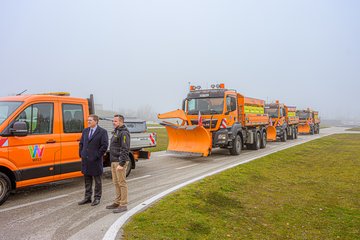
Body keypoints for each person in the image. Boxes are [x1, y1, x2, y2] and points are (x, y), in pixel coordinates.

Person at [78, 114, 108, 206]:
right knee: (87, 180)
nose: (88, 122)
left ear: (96, 121)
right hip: (86, 160)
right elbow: (81, 143)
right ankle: (87, 198)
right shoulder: (85, 131)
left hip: (95, 160)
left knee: (97, 181)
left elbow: (104, 146)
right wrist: (81, 153)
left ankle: (97, 198)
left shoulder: (102, 132)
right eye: (88, 120)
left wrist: (96, 156)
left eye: (90, 120)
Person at [106, 114, 130, 213]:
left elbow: (125, 148)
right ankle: (117, 201)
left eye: (115, 121)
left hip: (120, 161)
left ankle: (123, 204)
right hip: (114, 161)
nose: (113, 122)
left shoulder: (124, 133)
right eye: (113, 121)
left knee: (122, 183)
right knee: (116, 183)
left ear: (121, 122)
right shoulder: (116, 131)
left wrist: (121, 163)